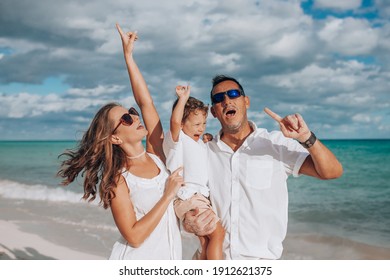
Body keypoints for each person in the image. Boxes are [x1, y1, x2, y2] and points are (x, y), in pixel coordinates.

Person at [57, 24, 183, 260]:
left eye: (132, 112)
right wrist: (167, 195)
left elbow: (146, 103)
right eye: (126, 118)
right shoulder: (118, 179)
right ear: (114, 137)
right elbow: (133, 236)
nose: (135, 117)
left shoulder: (157, 154)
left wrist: (128, 57)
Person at [183, 75, 343, 260]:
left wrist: (306, 138)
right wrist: (187, 222)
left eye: (233, 94)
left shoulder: (275, 143)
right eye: (219, 98)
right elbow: (184, 192)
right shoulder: (204, 150)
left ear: (246, 101)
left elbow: (332, 171)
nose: (226, 100)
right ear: (214, 112)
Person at [162, 85, 225, 259]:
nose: (201, 128)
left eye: (204, 123)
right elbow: (174, 122)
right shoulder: (178, 140)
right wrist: (182, 99)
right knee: (218, 235)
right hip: (189, 196)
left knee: (206, 242)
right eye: (196, 124)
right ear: (182, 125)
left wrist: (208, 140)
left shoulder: (198, 142)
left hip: (194, 198)